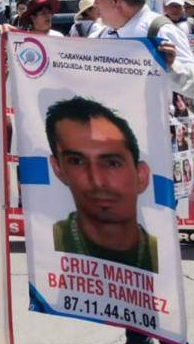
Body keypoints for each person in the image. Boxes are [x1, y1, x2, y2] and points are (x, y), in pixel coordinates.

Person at [82, 0, 194, 344]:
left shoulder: (159, 28)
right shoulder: (100, 35)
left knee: (157, 256)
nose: (93, 4)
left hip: (150, 160)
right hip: (110, 158)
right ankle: (138, 340)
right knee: (119, 251)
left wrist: (168, 67)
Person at [48, 97, 158, 271]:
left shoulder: (160, 252)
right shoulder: (48, 243)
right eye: (76, 161)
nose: (97, 181)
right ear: (58, 169)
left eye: (112, 163)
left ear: (141, 176)